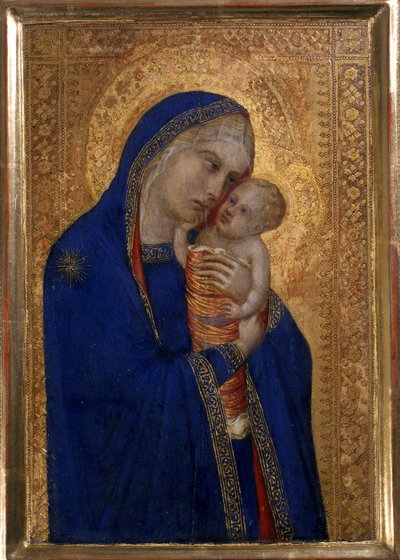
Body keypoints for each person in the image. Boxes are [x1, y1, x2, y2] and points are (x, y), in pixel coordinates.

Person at [44, 91, 328, 544]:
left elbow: (290, 354)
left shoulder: (209, 254)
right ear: (162, 147)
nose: (218, 191)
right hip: (151, 508)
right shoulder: (87, 257)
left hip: (236, 496)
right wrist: (235, 353)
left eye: (231, 179)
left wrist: (251, 296)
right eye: (211, 164)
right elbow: (122, 398)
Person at [175, 178, 286, 441]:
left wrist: (244, 310)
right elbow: (189, 264)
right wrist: (179, 234)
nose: (230, 209)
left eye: (243, 210)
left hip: (229, 323)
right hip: (199, 318)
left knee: (230, 375)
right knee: (204, 362)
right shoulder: (208, 235)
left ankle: (232, 415)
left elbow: (259, 292)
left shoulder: (255, 249)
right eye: (233, 200)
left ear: (256, 227)